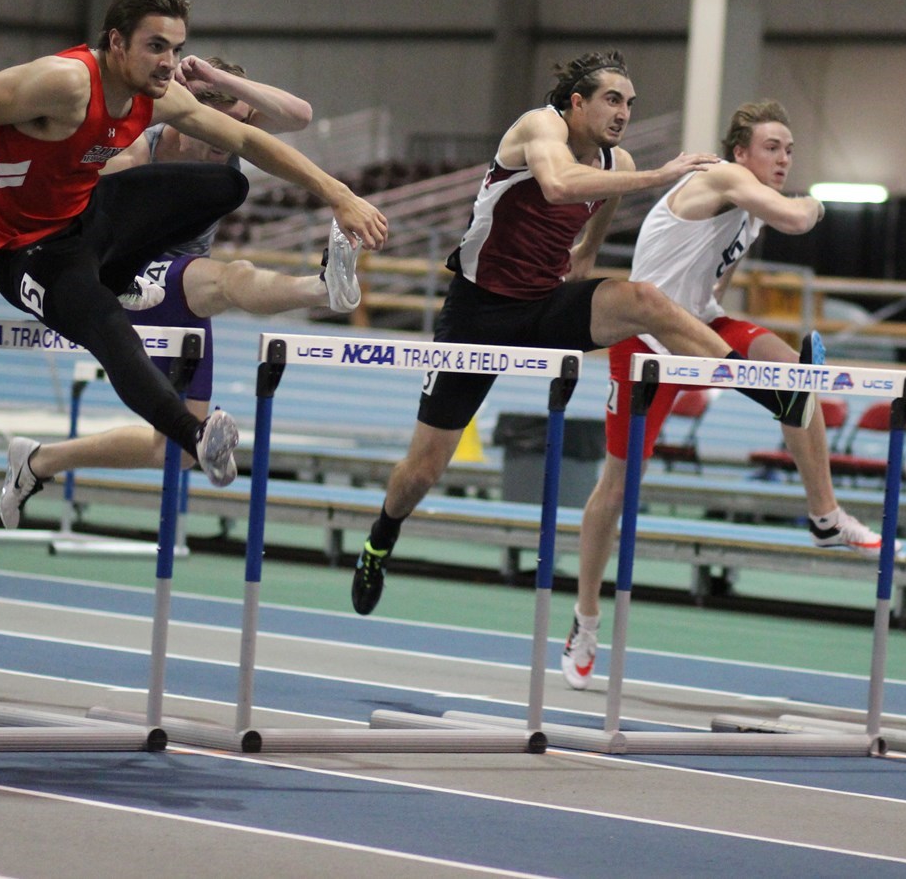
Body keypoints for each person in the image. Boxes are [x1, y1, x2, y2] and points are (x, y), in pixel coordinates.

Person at [349, 50, 817, 616]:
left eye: (629, 104)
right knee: (422, 472)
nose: (623, 113)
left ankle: (772, 394)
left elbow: (608, 189)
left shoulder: (613, 158)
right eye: (612, 100)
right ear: (577, 102)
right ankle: (380, 538)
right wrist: (661, 173)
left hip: (545, 306)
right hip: (479, 315)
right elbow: (557, 184)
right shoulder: (538, 126)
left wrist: (590, 249)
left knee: (646, 300)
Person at [0, 0, 386, 495]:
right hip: (20, 249)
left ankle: (121, 276)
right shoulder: (65, 82)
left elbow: (247, 138)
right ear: (117, 43)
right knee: (103, 323)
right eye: (155, 47)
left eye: (176, 49)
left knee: (226, 182)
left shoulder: (160, 98)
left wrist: (338, 194)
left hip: (84, 222)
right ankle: (195, 434)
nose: (169, 63)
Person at [558, 100, 887, 688]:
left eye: (789, 149)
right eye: (772, 147)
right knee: (617, 483)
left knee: (795, 375)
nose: (784, 158)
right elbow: (795, 220)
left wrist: (716, 326)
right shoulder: (726, 178)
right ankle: (584, 620)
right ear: (741, 152)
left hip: (703, 327)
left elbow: (714, 275)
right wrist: (813, 203)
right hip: (646, 340)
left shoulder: (746, 204)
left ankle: (824, 515)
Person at [0, 56, 363, 527]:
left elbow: (300, 116)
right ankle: (321, 289)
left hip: (184, 286)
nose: (223, 144)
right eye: (214, 129)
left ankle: (38, 461)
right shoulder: (136, 151)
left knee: (177, 449)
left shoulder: (229, 133)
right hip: (131, 275)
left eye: (235, 128)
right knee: (231, 277)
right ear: (186, 116)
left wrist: (223, 80)